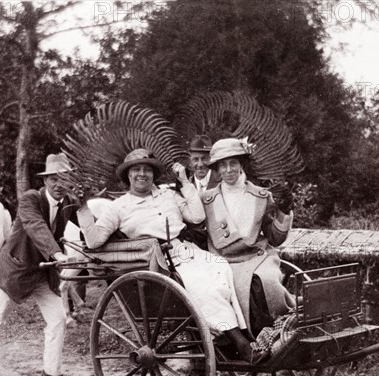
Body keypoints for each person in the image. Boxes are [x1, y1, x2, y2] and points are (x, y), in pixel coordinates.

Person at [77, 148, 259, 362]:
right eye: (136, 170)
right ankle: (238, 340)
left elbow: (198, 216)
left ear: (154, 174)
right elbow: (94, 240)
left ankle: (234, 333)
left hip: (186, 249)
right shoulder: (118, 207)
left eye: (147, 169)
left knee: (221, 267)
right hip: (161, 261)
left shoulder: (169, 194)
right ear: (128, 175)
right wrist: (83, 207)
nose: (142, 174)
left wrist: (184, 181)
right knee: (202, 283)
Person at [0, 153, 79, 376]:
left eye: (64, 179)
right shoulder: (31, 198)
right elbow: (35, 226)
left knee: (58, 319)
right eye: (53, 180)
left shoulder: (69, 202)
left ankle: (51, 372)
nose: (59, 185)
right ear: (45, 181)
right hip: (13, 271)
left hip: (42, 274)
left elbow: (91, 223)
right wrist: (57, 253)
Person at [201, 138, 295, 340]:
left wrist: (284, 211)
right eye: (222, 165)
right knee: (238, 283)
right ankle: (252, 338)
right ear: (217, 169)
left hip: (257, 256)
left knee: (267, 280)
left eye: (233, 163)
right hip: (223, 260)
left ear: (241, 164)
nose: (228, 170)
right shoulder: (207, 199)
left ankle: (279, 330)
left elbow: (275, 238)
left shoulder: (260, 196)